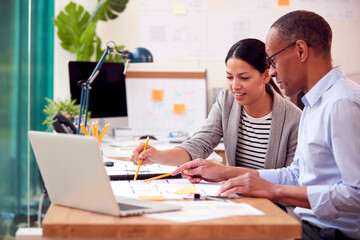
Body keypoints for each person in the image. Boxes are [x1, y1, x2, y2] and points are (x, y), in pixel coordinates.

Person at [173, 11, 360, 239]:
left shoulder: (342, 103)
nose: (271, 71)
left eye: (272, 60)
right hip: (305, 225)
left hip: (328, 233)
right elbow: (296, 175)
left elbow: (356, 194)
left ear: (301, 50)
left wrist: (274, 190)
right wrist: (225, 172)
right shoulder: (314, 104)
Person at [131, 38, 301, 170]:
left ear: (266, 76)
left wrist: (228, 174)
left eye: (244, 78)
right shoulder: (226, 101)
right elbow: (199, 144)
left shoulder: (294, 119)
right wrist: (157, 156)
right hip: (236, 199)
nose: (235, 86)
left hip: (273, 206)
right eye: (229, 77)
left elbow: (290, 179)